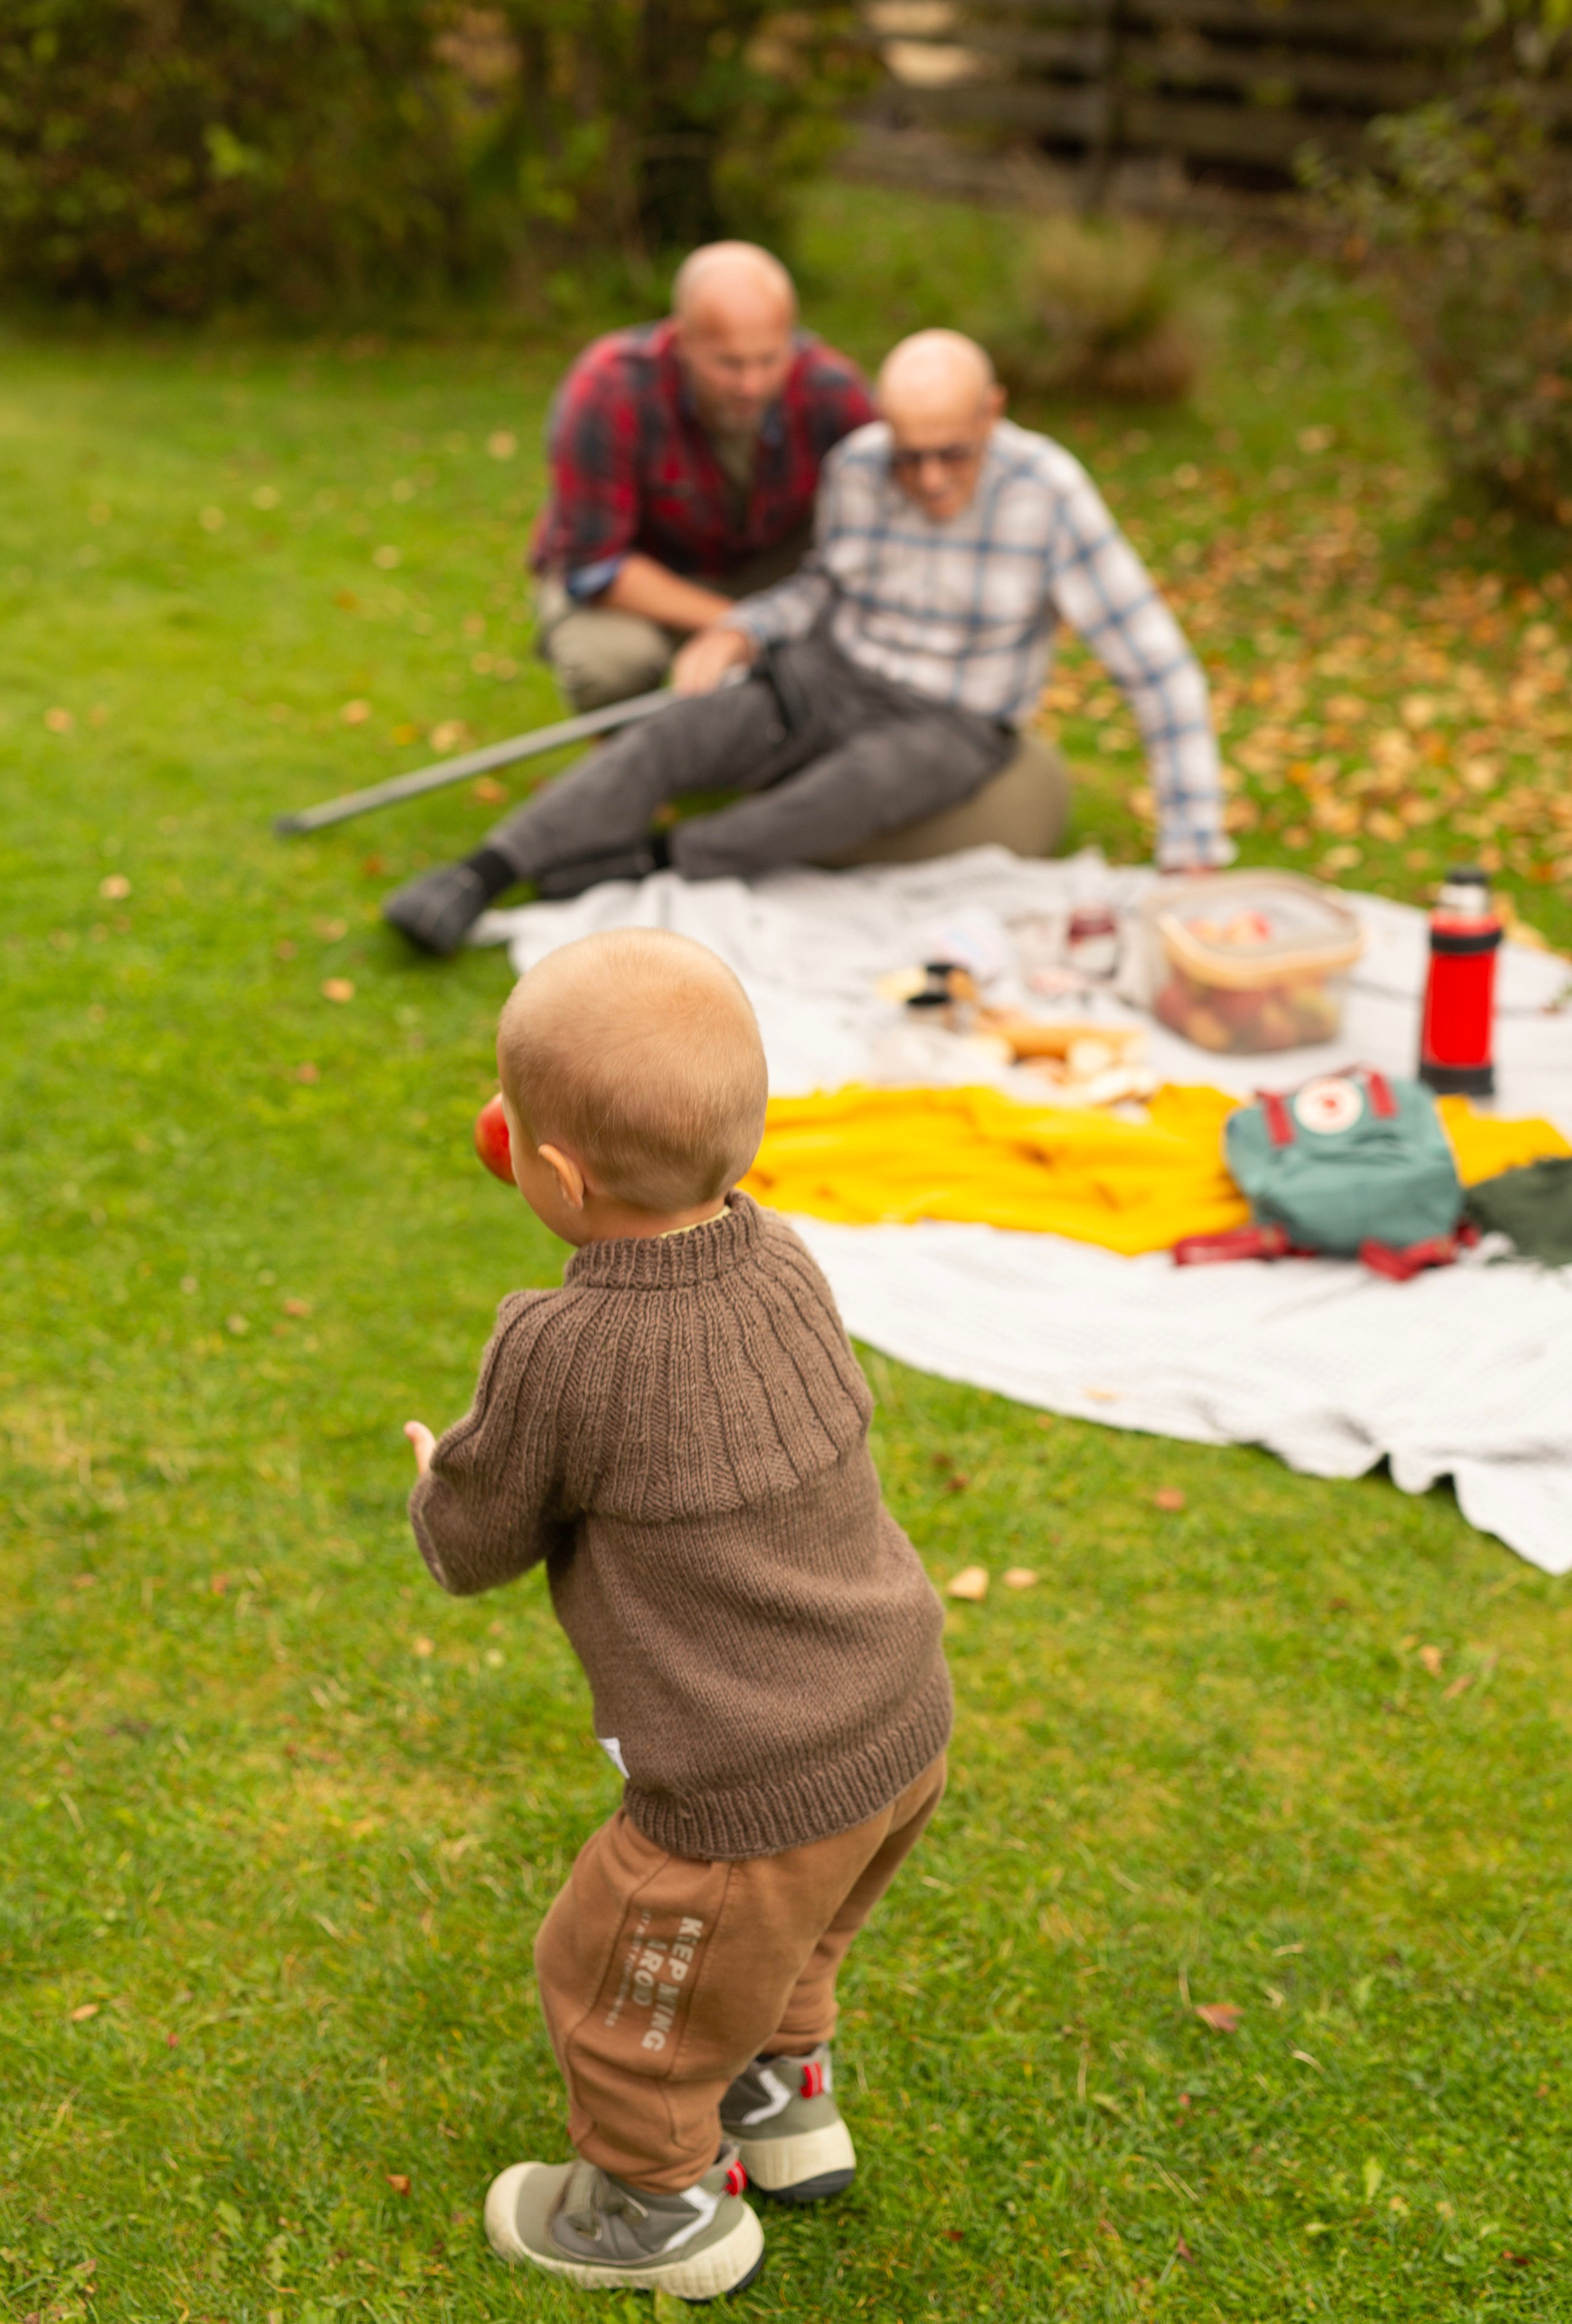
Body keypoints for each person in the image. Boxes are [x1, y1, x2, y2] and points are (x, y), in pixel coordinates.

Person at [403, 929, 952, 2299]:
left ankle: (656, 2207)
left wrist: (436, 1484)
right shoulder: (786, 1262)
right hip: (895, 1720)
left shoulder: (558, 1348)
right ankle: (779, 2103)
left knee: (614, 1975)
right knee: (797, 1935)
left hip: (746, 1779)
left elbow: (475, 1542)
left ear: (551, 1173)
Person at [385, 329, 1231, 957]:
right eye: (912, 456)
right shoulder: (861, 465)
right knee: (676, 733)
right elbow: (823, 588)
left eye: (953, 454)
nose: (928, 478)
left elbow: (1159, 673)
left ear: (993, 413)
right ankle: (484, 872)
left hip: (948, 722)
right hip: (832, 674)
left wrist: (1191, 855)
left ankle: (651, 861)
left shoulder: (1050, 494)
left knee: (850, 789)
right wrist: (739, 629)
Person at [529, 241, 873, 711]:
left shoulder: (832, 390)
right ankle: (625, 753)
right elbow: (595, 567)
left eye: (769, 359)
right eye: (729, 364)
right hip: (639, 580)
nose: (751, 385)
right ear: (683, 339)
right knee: (611, 665)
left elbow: (886, 527)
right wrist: (744, 625)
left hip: (764, 569)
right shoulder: (609, 388)